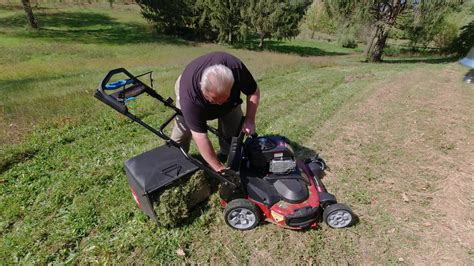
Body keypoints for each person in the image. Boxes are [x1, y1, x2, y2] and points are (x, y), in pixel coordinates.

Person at [171, 51, 260, 173]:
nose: (220, 104)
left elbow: (253, 91)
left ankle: (227, 154)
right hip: (187, 85)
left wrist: (250, 119)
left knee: (234, 128)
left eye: (224, 99)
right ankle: (175, 163)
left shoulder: (235, 68)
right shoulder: (190, 96)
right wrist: (218, 168)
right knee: (183, 131)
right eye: (215, 101)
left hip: (228, 97)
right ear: (204, 91)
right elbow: (200, 136)